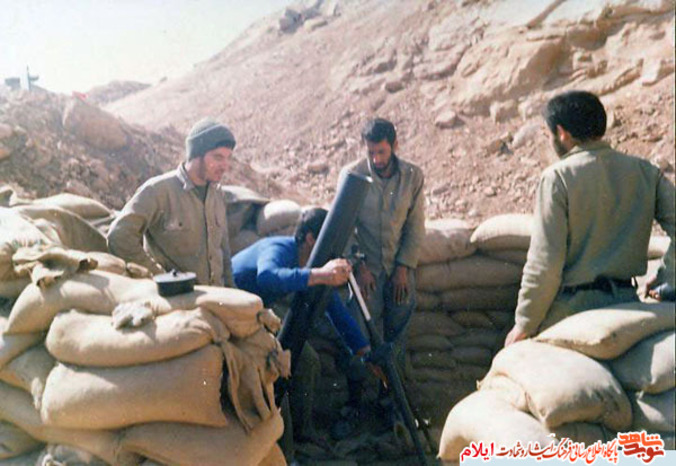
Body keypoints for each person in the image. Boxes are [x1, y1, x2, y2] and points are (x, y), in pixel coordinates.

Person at [505, 90, 675, 347]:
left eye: (549, 134)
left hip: (571, 313)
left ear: (562, 133)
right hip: (628, 305)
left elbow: (545, 264)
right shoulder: (646, 172)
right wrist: (666, 274)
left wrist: (524, 324)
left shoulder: (557, 178)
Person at [231, 207, 371, 448]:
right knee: (284, 369)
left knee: (306, 362)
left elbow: (334, 308)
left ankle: (302, 433)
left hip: (255, 317)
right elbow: (267, 277)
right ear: (310, 239)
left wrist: (364, 350)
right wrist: (318, 274)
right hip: (231, 317)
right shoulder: (279, 248)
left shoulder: (312, 264)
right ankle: (285, 445)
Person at [337, 117, 425, 431]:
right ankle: (354, 404)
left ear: (395, 146)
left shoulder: (412, 176)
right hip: (366, 273)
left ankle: (390, 404)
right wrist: (358, 265)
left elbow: (415, 226)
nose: (376, 159)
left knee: (396, 339)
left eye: (382, 152)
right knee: (358, 338)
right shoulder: (352, 176)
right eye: (371, 152)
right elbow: (343, 226)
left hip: (399, 270)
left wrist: (404, 267)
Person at [107, 118, 236, 286]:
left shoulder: (217, 194)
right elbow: (119, 236)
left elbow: (223, 252)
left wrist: (233, 291)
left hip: (217, 294)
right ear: (196, 155)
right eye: (218, 157)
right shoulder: (158, 191)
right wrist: (161, 277)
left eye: (228, 158)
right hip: (177, 297)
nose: (225, 166)